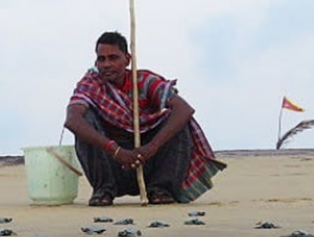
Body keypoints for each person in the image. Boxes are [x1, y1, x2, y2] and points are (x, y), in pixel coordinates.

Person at [64, 31, 225, 206]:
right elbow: (72, 119)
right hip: (113, 163)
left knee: (178, 120)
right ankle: (103, 190)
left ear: (127, 59)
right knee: (85, 121)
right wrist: (115, 150)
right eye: (101, 59)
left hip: (148, 161)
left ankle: (161, 188)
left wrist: (151, 148)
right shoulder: (90, 84)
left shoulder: (144, 81)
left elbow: (184, 109)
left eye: (113, 58)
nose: (107, 64)